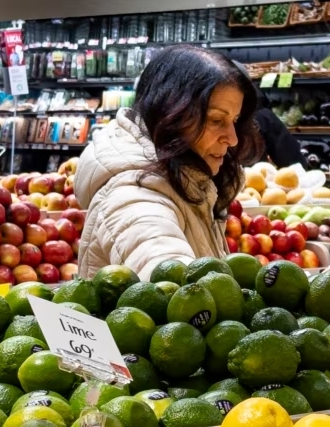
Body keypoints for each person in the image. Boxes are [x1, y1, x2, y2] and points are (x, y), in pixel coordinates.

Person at [74, 45, 263, 281]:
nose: (232, 138)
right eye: (216, 120)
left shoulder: (191, 179)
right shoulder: (133, 196)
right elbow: (169, 275)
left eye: (234, 121)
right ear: (170, 114)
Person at [233, 60, 307, 169]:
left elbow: (293, 164)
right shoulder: (263, 116)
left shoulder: (262, 117)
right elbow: (294, 162)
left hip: (252, 181)